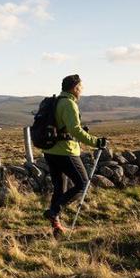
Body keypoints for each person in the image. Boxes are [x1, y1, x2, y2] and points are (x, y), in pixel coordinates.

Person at [43, 74, 107, 235]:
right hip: (66, 151)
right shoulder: (69, 103)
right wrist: (96, 142)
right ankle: (54, 211)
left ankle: (56, 227)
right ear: (75, 88)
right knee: (83, 183)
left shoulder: (56, 102)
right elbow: (75, 130)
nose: (82, 90)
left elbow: (65, 127)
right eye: (81, 87)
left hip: (50, 151)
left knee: (60, 188)